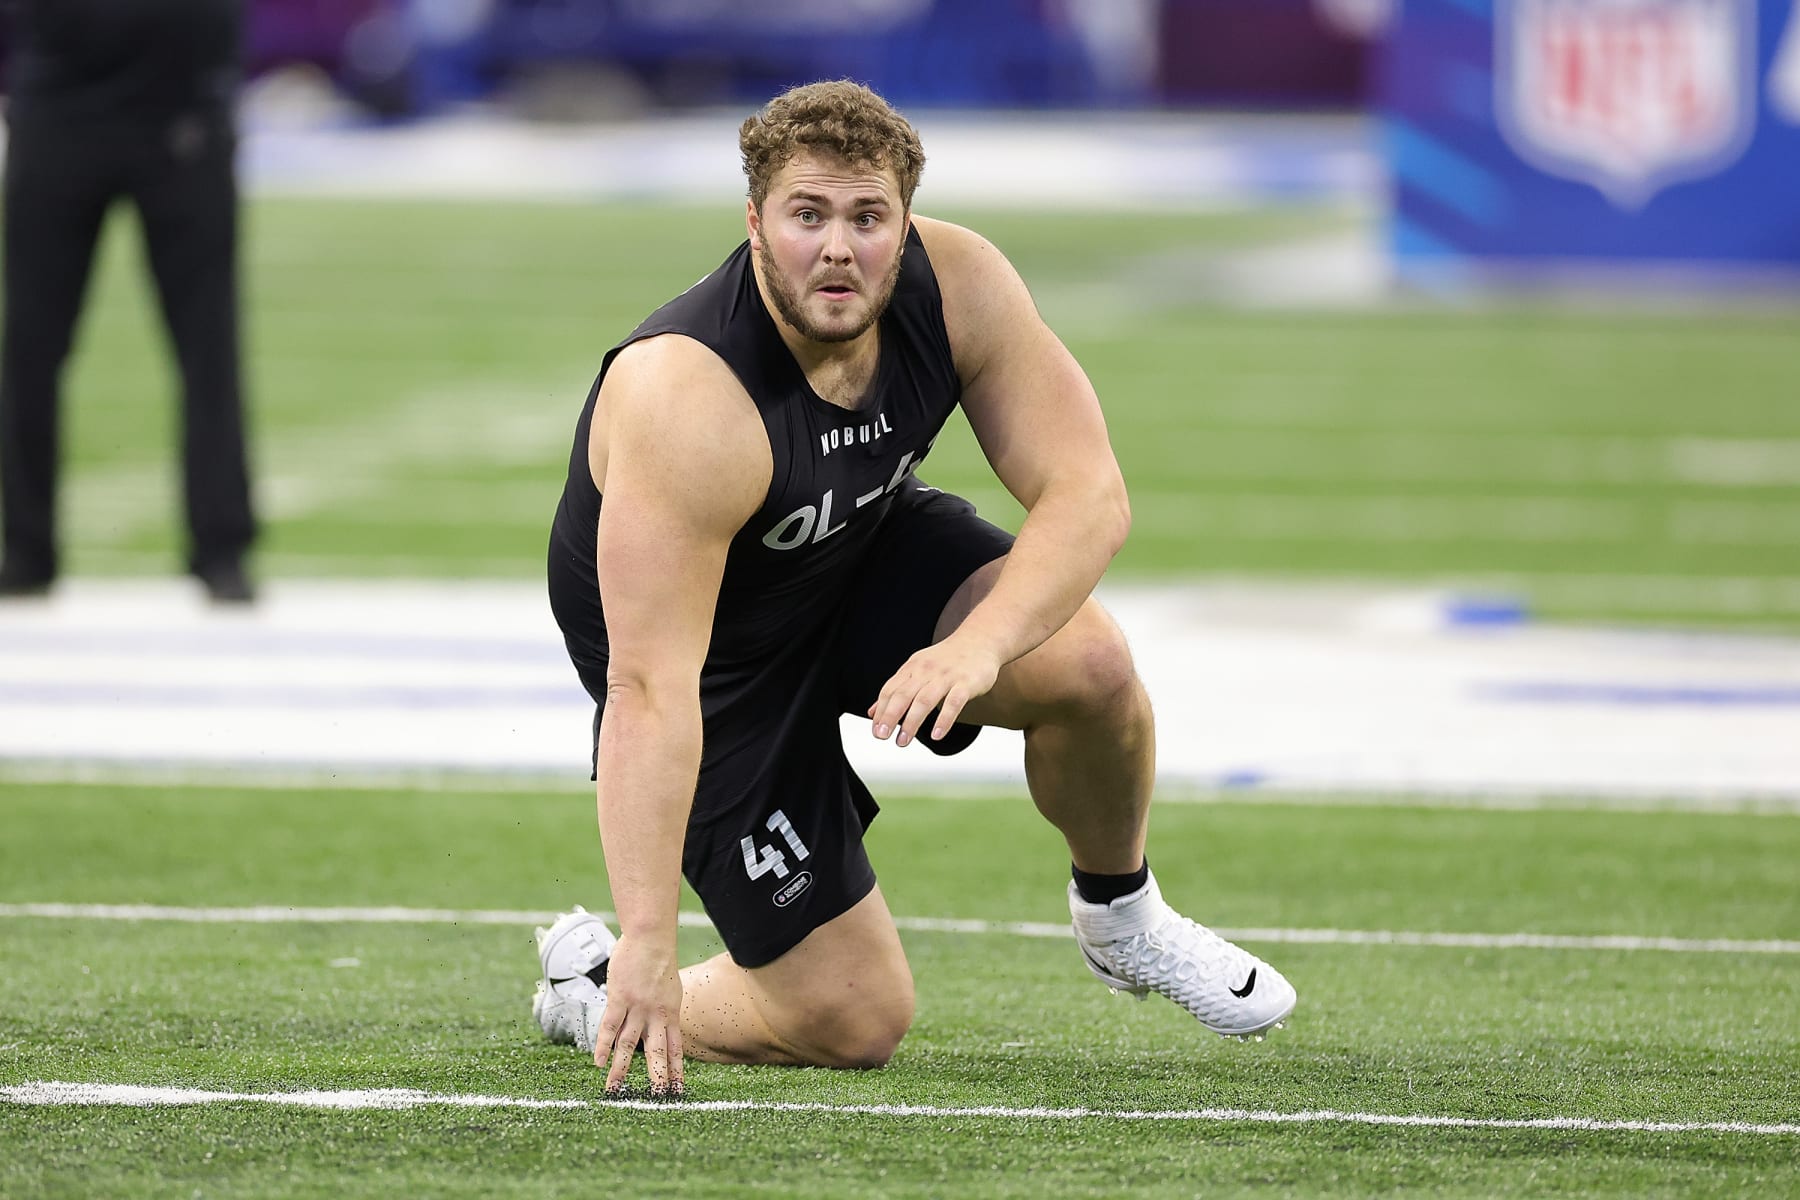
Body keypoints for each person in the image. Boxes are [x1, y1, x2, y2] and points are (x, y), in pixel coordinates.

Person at [540, 80, 1296, 1096]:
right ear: (756, 221)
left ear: (906, 222)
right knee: (854, 1021)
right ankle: (595, 984)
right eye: (807, 215)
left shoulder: (959, 283)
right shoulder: (688, 396)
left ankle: (1124, 919)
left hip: (850, 550)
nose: (838, 248)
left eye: (868, 217)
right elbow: (646, 691)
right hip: (713, 657)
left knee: (1089, 663)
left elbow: (1088, 492)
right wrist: (644, 935)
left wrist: (978, 647)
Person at [0, 0, 257, 602]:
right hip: (61, 112)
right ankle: (24, 544)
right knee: (30, 347)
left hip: (181, 113)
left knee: (208, 345)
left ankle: (221, 546)